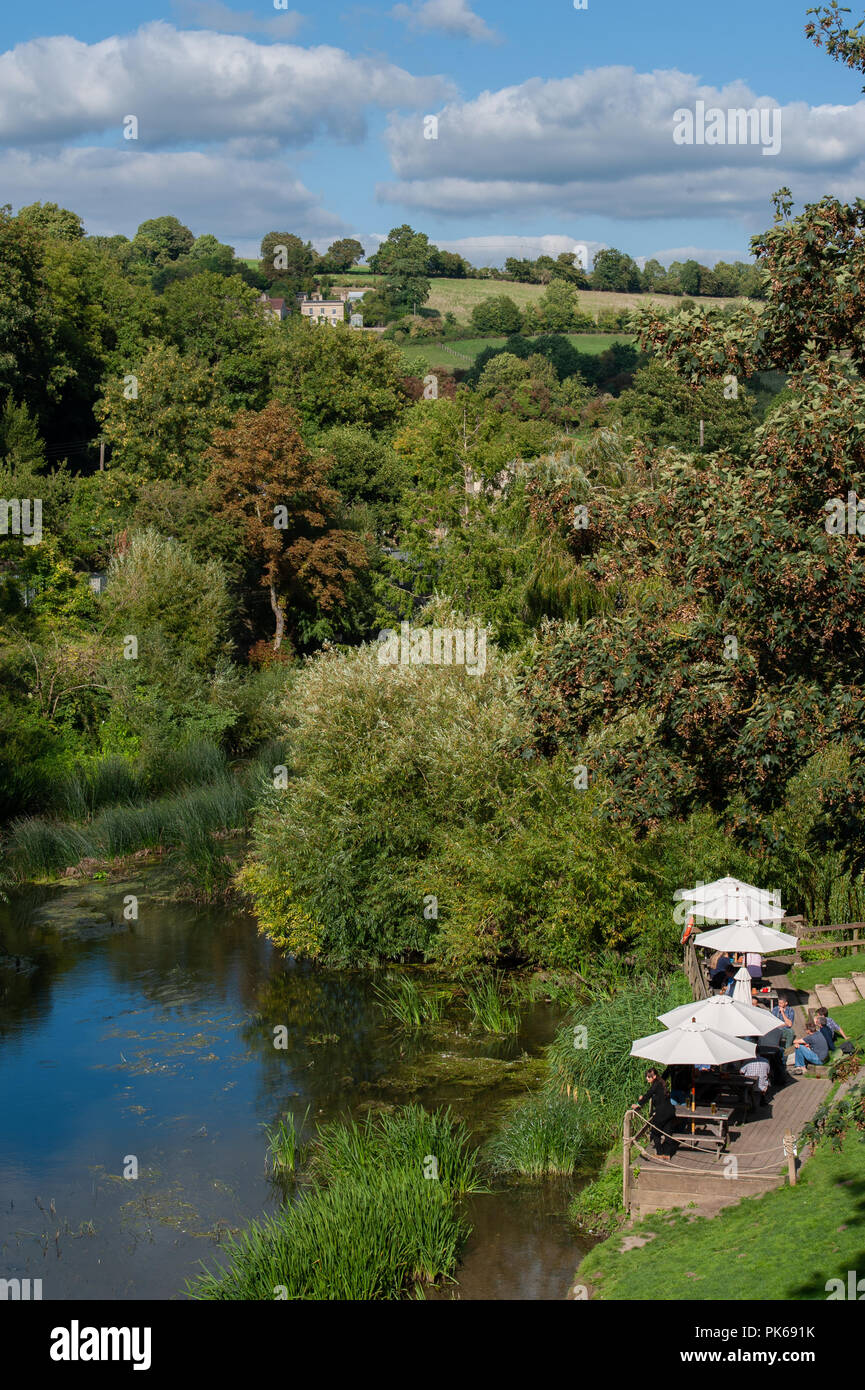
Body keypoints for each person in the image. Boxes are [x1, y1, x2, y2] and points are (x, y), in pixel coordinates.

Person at [631, 1068, 678, 1160]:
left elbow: (648, 1094)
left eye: (649, 1077)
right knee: (667, 1133)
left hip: (662, 1113)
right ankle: (667, 1154)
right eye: (646, 1077)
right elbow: (652, 1095)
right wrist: (643, 1098)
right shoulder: (661, 1083)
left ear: (655, 1076)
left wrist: (638, 1104)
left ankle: (660, 1153)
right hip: (670, 1111)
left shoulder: (656, 1085)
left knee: (655, 1133)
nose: (647, 1078)